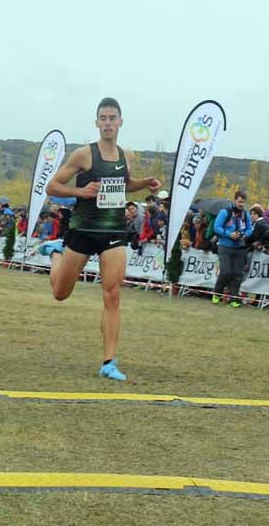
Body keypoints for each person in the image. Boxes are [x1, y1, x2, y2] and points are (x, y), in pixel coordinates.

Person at [39, 98, 161, 381]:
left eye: (112, 118)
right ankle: (55, 253)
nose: (108, 123)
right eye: (103, 118)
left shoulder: (127, 155)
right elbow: (52, 185)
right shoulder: (83, 155)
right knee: (60, 293)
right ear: (96, 123)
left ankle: (109, 362)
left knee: (113, 293)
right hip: (82, 229)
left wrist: (144, 183)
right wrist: (82, 192)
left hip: (114, 231)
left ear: (120, 122)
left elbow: (124, 184)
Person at [212, 191, 252, 308]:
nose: (241, 205)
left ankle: (234, 299)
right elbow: (217, 227)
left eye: (243, 203)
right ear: (234, 200)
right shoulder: (225, 212)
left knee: (237, 274)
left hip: (240, 247)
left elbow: (250, 228)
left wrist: (245, 235)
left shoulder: (246, 214)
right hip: (225, 246)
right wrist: (230, 234)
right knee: (226, 272)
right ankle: (217, 293)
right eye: (239, 202)